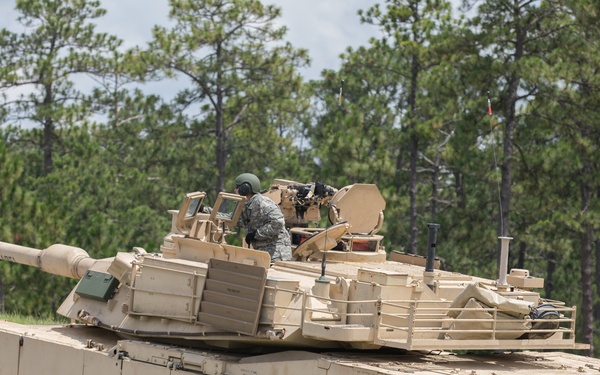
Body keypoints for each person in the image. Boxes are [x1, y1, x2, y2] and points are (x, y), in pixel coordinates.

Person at [234, 173, 292, 262]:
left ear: (245, 188)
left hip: (276, 254)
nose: (235, 190)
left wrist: (256, 234)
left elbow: (278, 222)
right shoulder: (247, 204)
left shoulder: (262, 202)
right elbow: (236, 219)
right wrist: (208, 210)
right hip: (265, 254)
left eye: (237, 187)